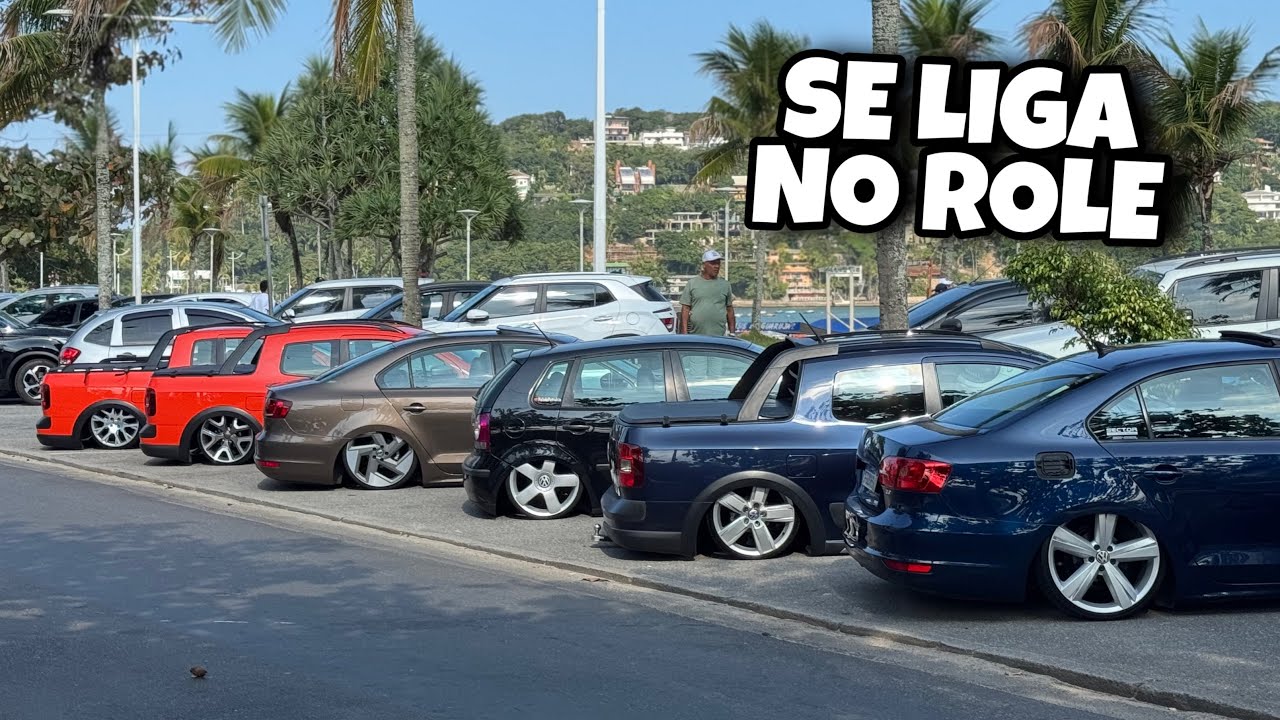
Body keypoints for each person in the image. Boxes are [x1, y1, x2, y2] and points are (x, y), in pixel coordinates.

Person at [680, 250, 735, 336]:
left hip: (719, 336)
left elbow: (729, 310)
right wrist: (684, 333)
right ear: (704, 265)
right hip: (696, 335)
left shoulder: (725, 285)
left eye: (718, 263)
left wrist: (732, 333)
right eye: (713, 263)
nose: (716, 266)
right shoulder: (692, 283)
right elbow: (685, 309)